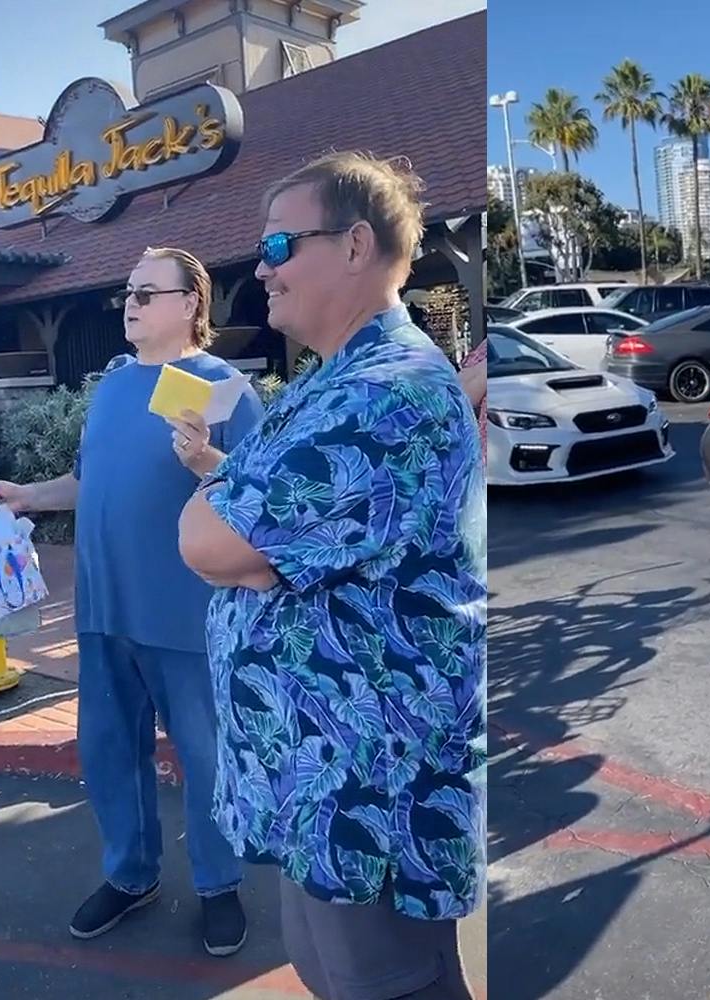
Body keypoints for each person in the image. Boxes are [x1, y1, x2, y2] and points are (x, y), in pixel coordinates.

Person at [177, 152, 486, 999]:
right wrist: (247, 528)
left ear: (356, 246)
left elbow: (207, 541)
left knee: (385, 983)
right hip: (313, 767)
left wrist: (241, 536)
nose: (263, 266)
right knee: (331, 974)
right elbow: (244, 522)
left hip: (367, 783)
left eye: (281, 241)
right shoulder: (334, 380)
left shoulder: (384, 392)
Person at [0, 247, 264, 958]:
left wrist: (209, 462)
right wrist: (29, 496)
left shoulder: (222, 389)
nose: (130, 304)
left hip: (187, 615)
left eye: (145, 292)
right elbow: (87, 480)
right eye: (127, 293)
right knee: (109, 754)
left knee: (205, 758)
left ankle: (218, 885)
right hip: (104, 610)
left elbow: (263, 501)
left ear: (190, 303)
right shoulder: (111, 388)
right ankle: (132, 875)